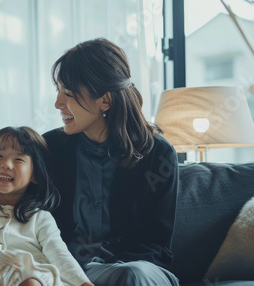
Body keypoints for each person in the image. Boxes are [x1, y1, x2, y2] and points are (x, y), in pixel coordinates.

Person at [42, 38, 180, 286]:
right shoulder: (48, 149)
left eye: (69, 94)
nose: (58, 104)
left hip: (141, 271)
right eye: (58, 91)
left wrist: (114, 268)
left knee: (132, 275)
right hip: (71, 271)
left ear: (105, 100)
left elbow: (157, 245)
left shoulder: (158, 155)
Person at [0, 126, 94, 286]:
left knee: (31, 282)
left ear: (35, 176)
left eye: (18, 159)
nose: (6, 164)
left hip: (33, 276)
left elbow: (59, 254)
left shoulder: (40, 217)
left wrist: (83, 283)